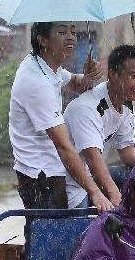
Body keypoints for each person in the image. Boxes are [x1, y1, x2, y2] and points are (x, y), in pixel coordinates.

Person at [9, 22, 114, 210]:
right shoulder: (37, 82)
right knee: (52, 235)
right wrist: (96, 192)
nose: (71, 37)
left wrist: (88, 77)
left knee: (53, 233)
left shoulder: (46, 66)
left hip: (47, 170)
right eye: (62, 32)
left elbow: (74, 82)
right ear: (43, 40)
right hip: (40, 177)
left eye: (73, 31)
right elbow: (64, 146)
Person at [62, 44, 135, 209]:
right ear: (114, 75)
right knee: (86, 228)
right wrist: (115, 195)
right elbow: (93, 160)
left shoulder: (126, 104)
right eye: (134, 76)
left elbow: (127, 148)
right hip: (72, 182)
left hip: (94, 176)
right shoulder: (87, 108)